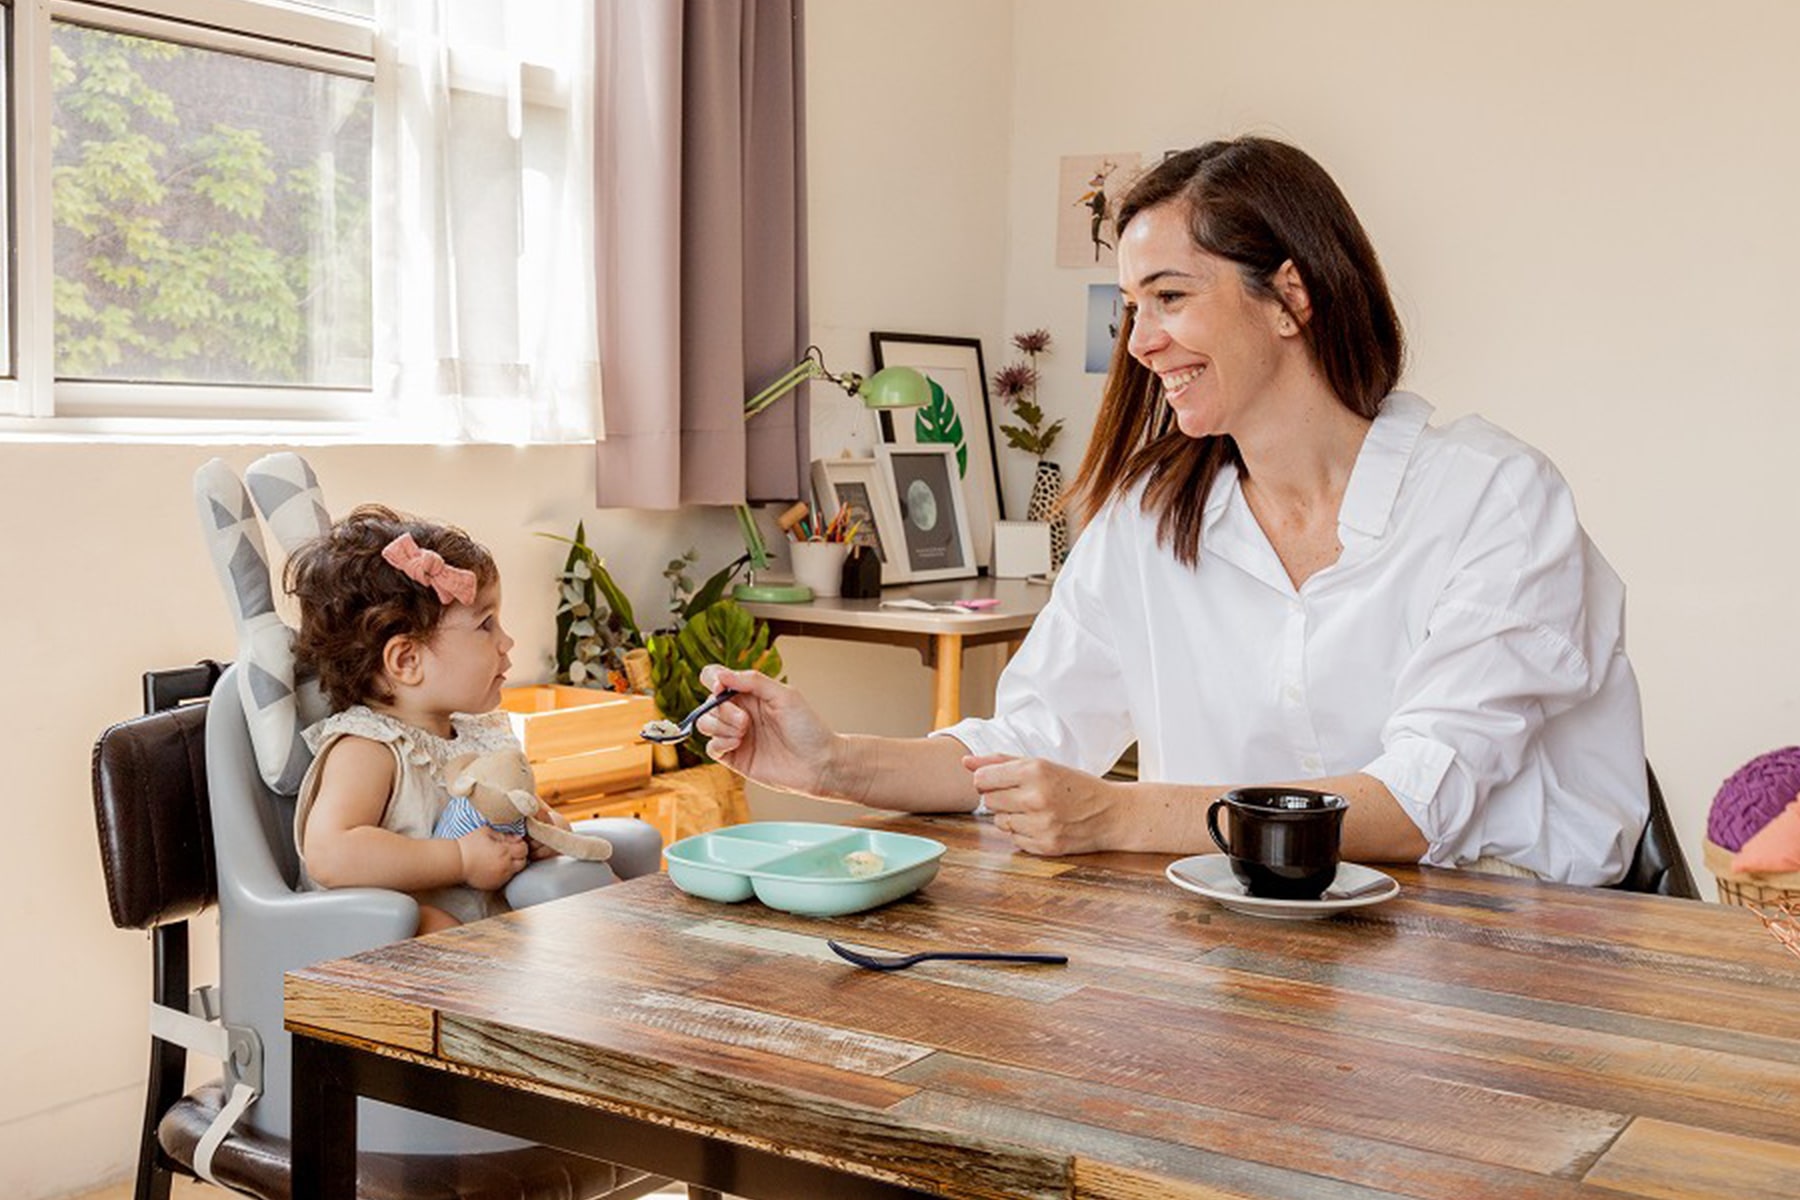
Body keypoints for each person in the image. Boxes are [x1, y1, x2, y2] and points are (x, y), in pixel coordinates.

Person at [701, 136, 1647, 887]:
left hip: (1518, 949)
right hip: (1254, 941)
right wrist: (833, 766)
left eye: (1170, 298)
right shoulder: (1150, 520)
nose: (1141, 343)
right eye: (1130, 308)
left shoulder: (1493, 499)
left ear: (1289, 297)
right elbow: (1031, 742)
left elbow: (1414, 804)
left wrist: (1116, 815)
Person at [287, 505, 655, 933]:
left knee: (597, 893)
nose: (506, 641)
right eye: (486, 624)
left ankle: (633, 954)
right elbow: (332, 854)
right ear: (407, 660)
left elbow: (541, 813)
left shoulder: (483, 735)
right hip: (391, 938)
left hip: (502, 943)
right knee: (426, 921)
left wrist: (543, 833)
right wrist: (459, 859)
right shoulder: (370, 748)